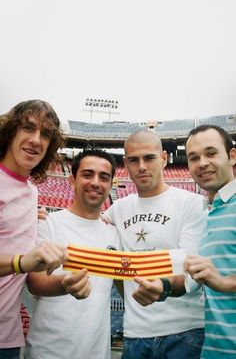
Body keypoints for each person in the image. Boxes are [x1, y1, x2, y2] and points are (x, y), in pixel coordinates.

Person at [104, 129, 206, 359]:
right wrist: (40, 216)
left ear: (164, 159)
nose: (141, 166)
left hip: (185, 332)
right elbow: (84, 225)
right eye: (133, 160)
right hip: (135, 334)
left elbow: (194, 270)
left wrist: (164, 287)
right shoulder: (117, 210)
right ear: (125, 164)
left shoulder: (191, 204)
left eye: (149, 158)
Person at [24, 148, 121, 359]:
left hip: (97, 353)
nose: (95, 182)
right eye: (87, 174)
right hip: (48, 352)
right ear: (72, 180)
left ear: (111, 184)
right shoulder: (48, 223)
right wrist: (64, 285)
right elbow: (34, 281)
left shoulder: (115, 234)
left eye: (104, 177)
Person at [0, 99, 68, 359]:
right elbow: (22, 261)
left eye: (46, 134)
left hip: (8, 338)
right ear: (10, 130)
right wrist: (21, 262)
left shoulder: (32, 194)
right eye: (28, 128)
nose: (36, 140)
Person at [184, 124, 236, 359]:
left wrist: (223, 283)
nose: (202, 163)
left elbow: (220, 281)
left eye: (211, 153)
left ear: (232, 156)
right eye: (194, 158)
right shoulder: (206, 213)